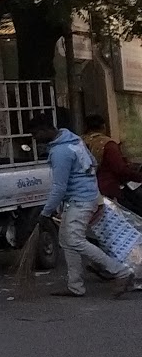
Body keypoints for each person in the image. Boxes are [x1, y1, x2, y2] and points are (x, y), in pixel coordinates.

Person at [32, 114, 135, 297]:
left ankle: (121, 272)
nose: (34, 139)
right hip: (88, 196)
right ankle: (75, 286)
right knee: (66, 240)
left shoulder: (60, 152)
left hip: (79, 201)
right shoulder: (74, 140)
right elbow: (93, 163)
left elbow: (59, 187)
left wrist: (46, 212)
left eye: (35, 134)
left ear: (45, 130)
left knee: (74, 240)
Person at [83, 115, 142, 213]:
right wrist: (138, 176)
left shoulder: (79, 142)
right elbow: (121, 170)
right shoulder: (108, 144)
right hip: (107, 192)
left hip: (83, 192)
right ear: (103, 127)